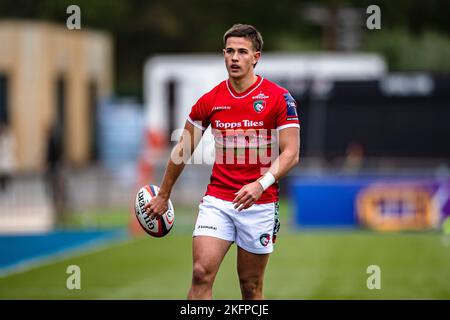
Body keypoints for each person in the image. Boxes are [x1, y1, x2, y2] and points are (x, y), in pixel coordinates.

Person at [144, 24, 300, 300]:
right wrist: (164, 194)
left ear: (256, 57)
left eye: (242, 52)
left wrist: (260, 185)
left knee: (250, 287)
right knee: (200, 273)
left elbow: (291, 153)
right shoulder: (210, 100)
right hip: (218, 201)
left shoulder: (278, 98)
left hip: (259, 204)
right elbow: (183, 149)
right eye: (230, 51)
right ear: (223, 54)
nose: (234, 57)